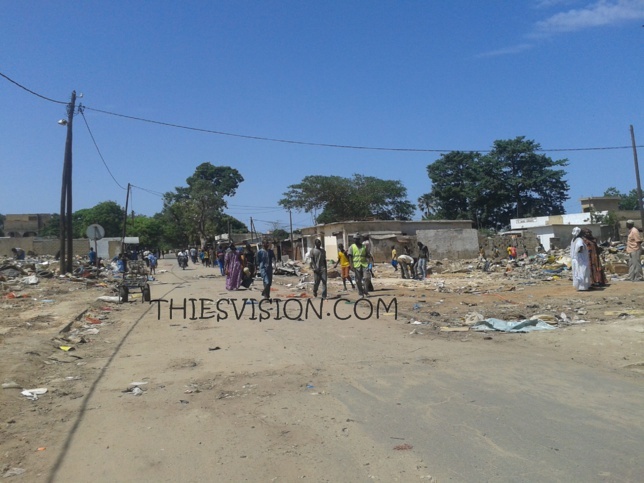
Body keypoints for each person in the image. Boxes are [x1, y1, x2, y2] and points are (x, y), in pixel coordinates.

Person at [570, 227, 591, 291]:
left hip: (574, 259)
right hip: (580, 259)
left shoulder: (573, 239)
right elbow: (580, 247)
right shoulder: (579, 239)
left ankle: (578, 287)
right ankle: (583, 287)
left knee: (577, 273)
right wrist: (580, 252)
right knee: (582, 272)